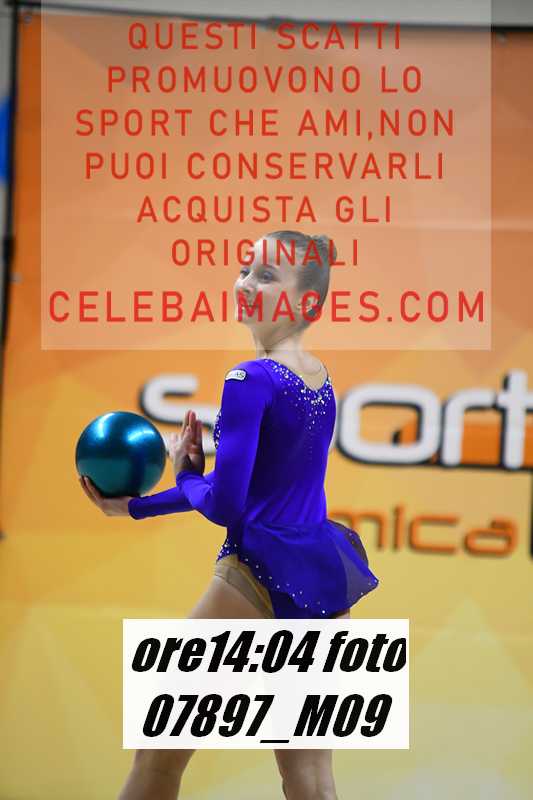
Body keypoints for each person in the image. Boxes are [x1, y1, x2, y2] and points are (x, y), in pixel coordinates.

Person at [80, 230, 379, 800]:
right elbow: (247, 487)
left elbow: (225, 504)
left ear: (306, 303)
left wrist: (177, 479)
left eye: (266, 276)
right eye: (245, 269)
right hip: (322, 581)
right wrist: (145, 503)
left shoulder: (249, 380)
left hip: (257, 574)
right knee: (310, 780)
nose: (245, 283)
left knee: (158, 756)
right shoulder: (320, 378)